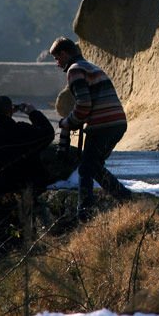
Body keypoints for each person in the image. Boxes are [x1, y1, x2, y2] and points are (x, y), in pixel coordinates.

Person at [49, 36, 133, 222]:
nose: (57, 64)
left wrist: (68, 122)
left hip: (102, 125)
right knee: (93, 166)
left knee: (86, 168)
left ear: (64, 54)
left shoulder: (75, 70)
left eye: (57, 58)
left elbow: (84, 105)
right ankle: (124, 199)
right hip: (116, 122)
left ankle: (86, 213)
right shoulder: (90, 66)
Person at [0, 95, 54, 264]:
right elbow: (48, 134)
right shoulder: (22, 131)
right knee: (24, 246)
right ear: (12, 111)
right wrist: (32, 112)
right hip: (19, 195)